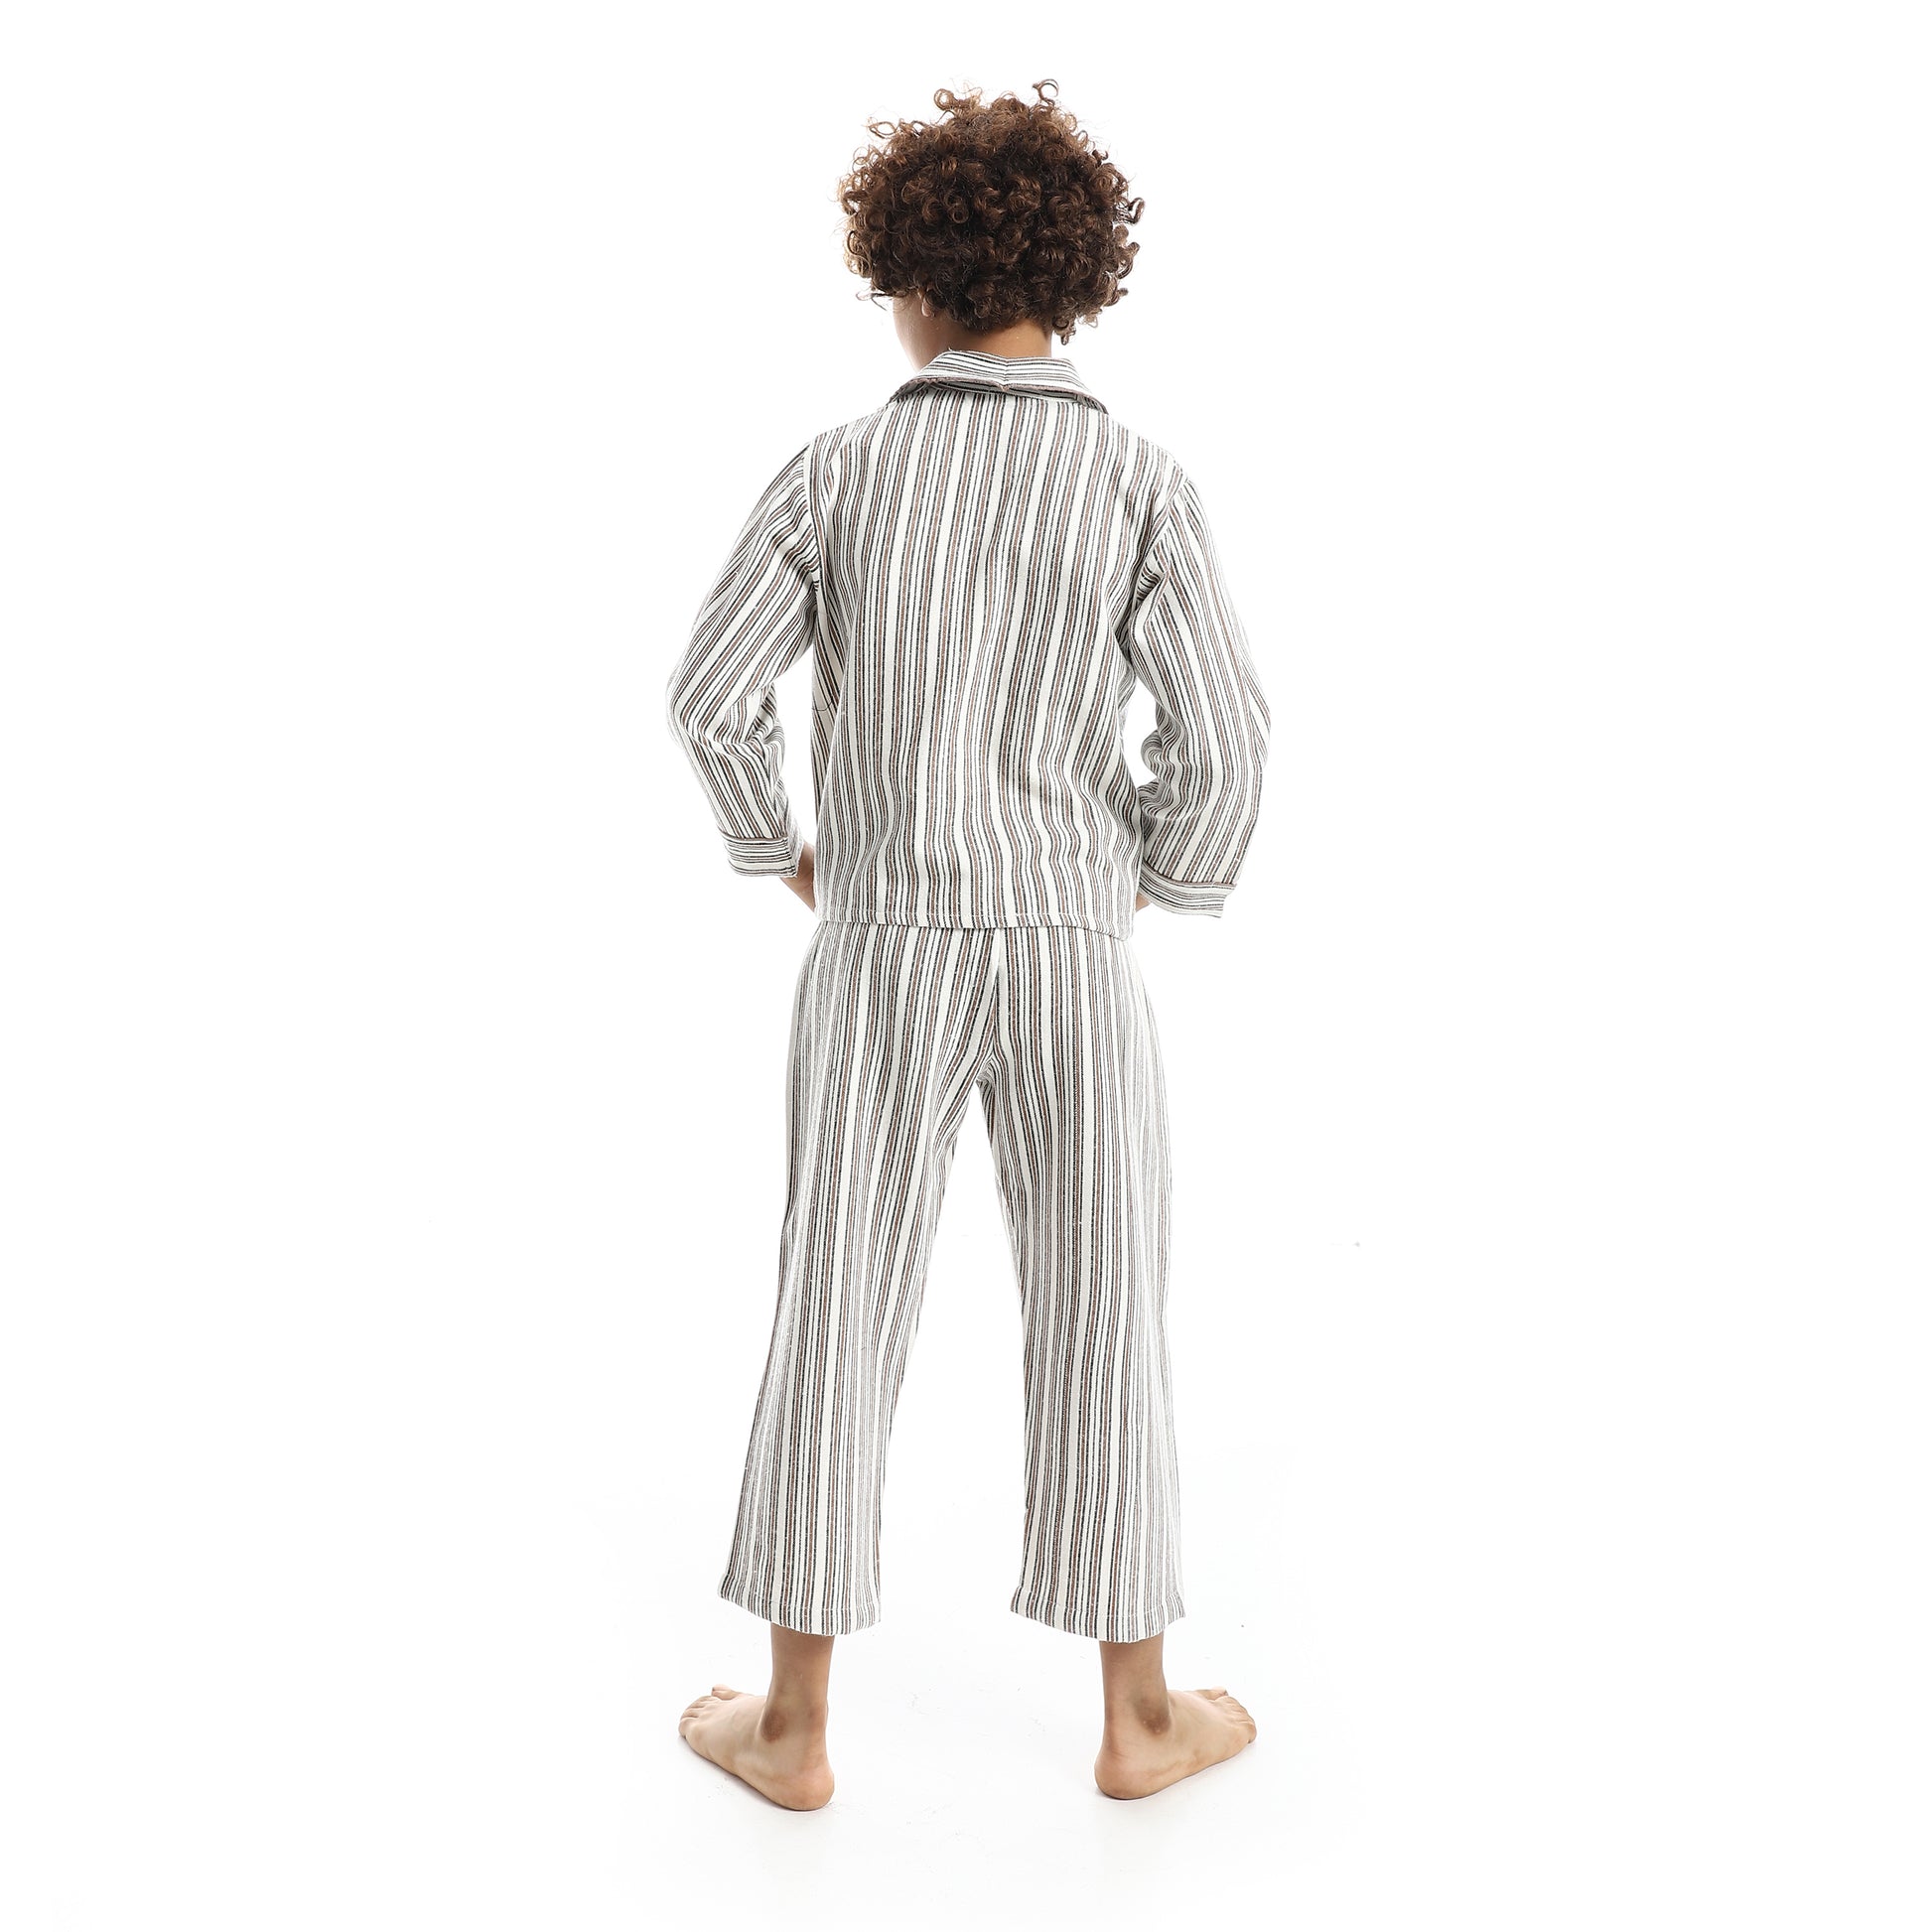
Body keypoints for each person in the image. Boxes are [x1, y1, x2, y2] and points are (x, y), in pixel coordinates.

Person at [666, 80, 1270, 1808]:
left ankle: (791, 1724)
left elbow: (710, 697)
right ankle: (1138, 1717)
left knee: (834, 1302)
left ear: (906, 279)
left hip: (881, 947)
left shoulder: (838, 470)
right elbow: (1229, 740)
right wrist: (1140, 878)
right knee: (1104, 1308)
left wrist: (789, 855)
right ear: (1071, 283)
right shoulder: (1138, 479)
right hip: (1075, 953)